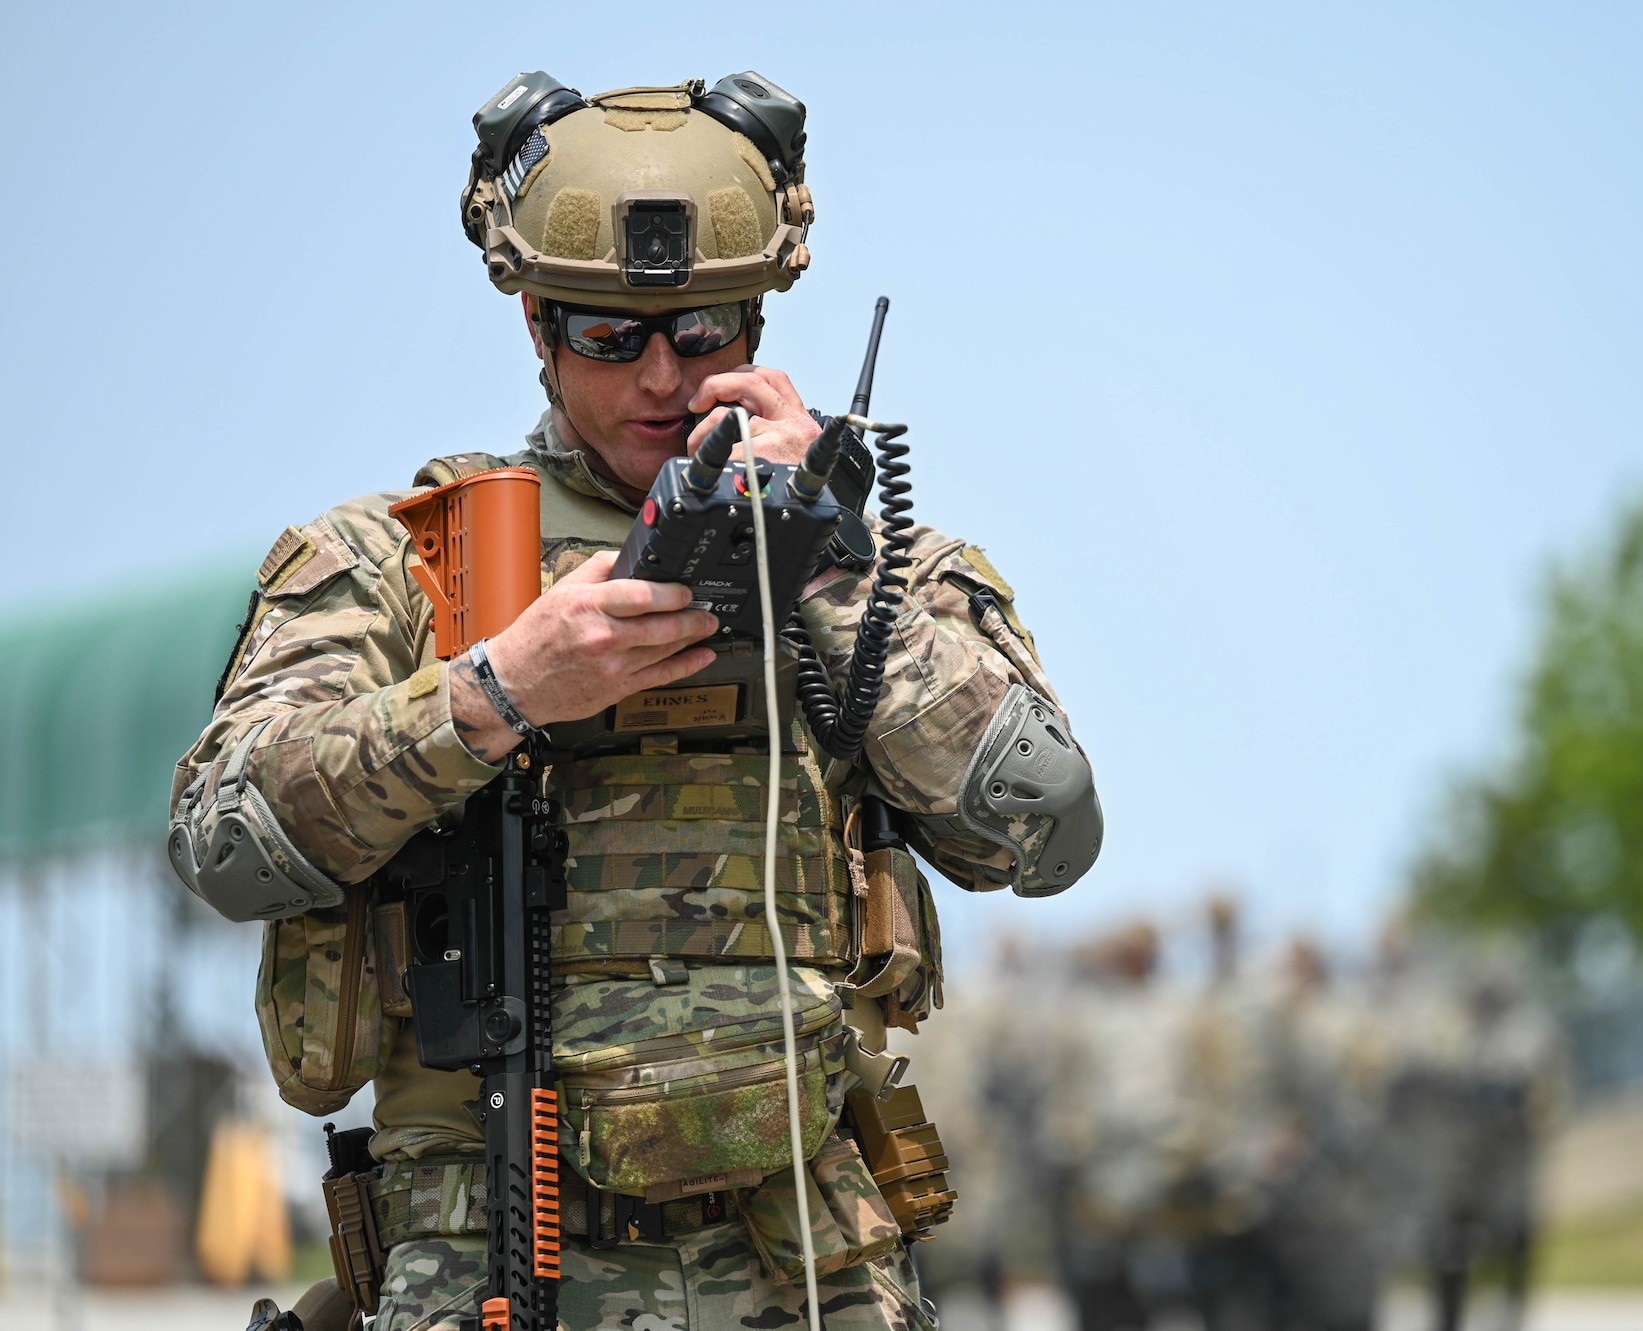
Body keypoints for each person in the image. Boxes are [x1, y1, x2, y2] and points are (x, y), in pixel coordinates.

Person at [169, 70, 1101, 1331]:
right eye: (613, 337)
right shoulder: (403, 562)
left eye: (706, 327)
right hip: (489, 1252)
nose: (663, 374)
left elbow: (1045, 828)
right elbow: (224, 839)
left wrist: (819, 561)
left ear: (759, 327)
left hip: (802, 1264)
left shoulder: (874, 569)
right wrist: (494, 693)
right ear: (540, 329)